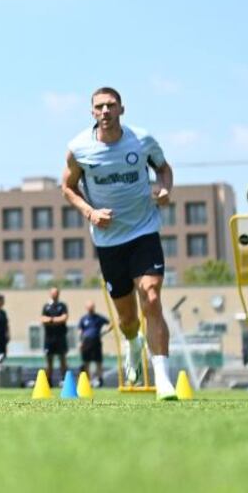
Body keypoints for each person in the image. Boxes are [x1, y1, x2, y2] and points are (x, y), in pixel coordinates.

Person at [62, 86, 179, 400]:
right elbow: (68, 187)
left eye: (110, 106)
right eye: (99, 107)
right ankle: (132, 343)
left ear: (121, 110)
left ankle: (163, 379)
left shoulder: (141, 140)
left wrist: (165, 190)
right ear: (92, 113)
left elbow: (164, 169)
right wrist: (90, 212)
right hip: (109, 241)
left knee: (151, 297)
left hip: (144, 230)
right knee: (127, 320)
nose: (105, 112)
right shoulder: (78, 148)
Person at [77, 300, 111, 386]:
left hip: (96, 341)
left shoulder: (98, 318)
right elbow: (80, 331)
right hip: (86, 342)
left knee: (98, 361)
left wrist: (105, 332)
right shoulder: (83, 319)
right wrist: (80, 342)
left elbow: (110, 323)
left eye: (92, 307)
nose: (90, 309)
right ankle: (87, 381)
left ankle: (100, 380)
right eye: (89, 307)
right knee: (86, 362)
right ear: (86, 308)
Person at [41, 287, 69, 385]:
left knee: (63, 360)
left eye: (56, 293)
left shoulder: (62, 306)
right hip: (49, 338)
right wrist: (55, 320)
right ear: (50, 294)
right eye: (53, 293)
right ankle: (48, 382)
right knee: (49, 361)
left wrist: (51, 320)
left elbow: (64, 318)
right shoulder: (46, 306)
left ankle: (64, 381)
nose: (54, 294)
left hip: (60, 337)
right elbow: (43, 319)